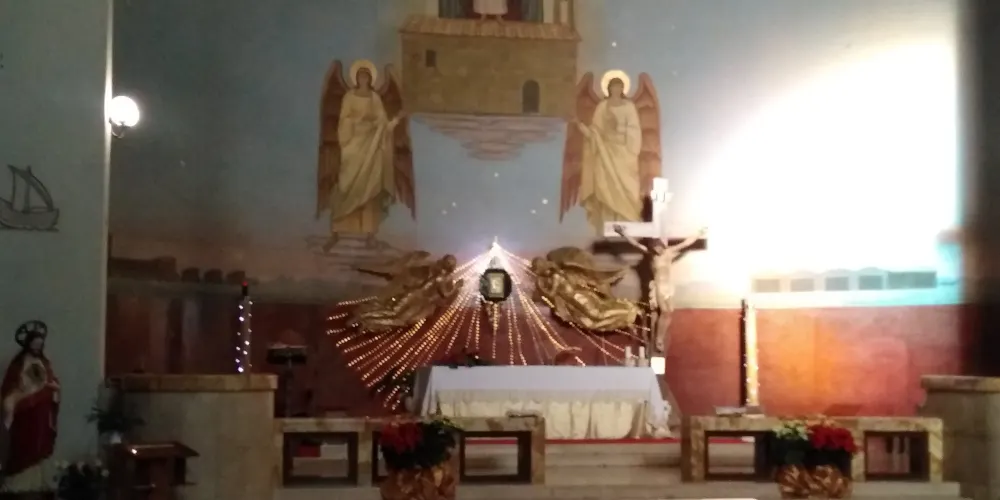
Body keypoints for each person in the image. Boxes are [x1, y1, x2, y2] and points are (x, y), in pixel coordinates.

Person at [322, 64, 403, 251]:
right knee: (346, 187)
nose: (363, 80)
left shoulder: (374, 98)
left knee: (370, 190)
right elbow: (343, 120)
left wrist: (394, 121)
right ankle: (336, 233)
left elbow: (382, 123)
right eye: (360, 77)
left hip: (371, 148)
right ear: (356, 78)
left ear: (370, 79)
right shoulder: (349, 97)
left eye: (366, 77)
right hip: (352, 147)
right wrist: (359, 121)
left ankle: (370, 235)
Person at [613, 225, 706, 354]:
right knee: (664, 311)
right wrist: (623, 233)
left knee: (669, 312)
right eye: (654, 247)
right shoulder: (651, 255)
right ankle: (659, 339)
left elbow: (685, 243)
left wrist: (699, 233)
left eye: (658, 247)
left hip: (668, 286)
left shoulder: (669, 252)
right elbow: (635, 244)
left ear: (662, 245)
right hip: (658, 286)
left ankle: (660, 335)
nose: (657, 250)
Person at [574, 77, 644, 235]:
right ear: (609, 89)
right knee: (604, 188)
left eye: (619, 87)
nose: (616, 90)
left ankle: (627, 223)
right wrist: (583, 129)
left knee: (627, 188)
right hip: (604, 151)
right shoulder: (602, 107)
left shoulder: (629, 107)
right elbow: (595, 132)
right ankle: (607, 225)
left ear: (623, 89)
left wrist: (619, 131)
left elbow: (634, 131)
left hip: (624, 154)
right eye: (613, 87)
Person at [1, 321, 59, 487]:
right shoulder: (18, 364)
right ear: (28, 344)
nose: (37, 348)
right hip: (24, 411)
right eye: (34, 344)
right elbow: (8, 388)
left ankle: (36, 482)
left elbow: (51, 382)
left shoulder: (44, 363)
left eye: (40, 345)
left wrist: (54, 389)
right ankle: (17, 481)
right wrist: (18, 396)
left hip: (41, 411)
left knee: (39, 445)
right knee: (22, 444)